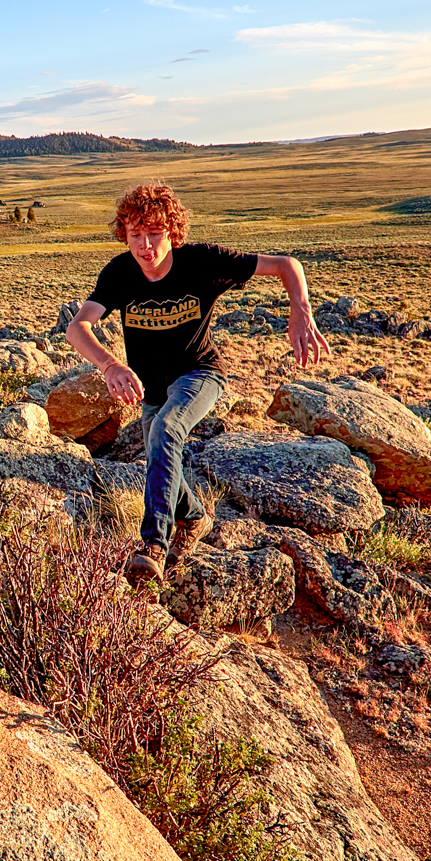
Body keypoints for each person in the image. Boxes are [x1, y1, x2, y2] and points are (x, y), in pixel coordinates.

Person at [67, 183, 331, 585]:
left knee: (166, 429)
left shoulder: (202, 261)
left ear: (173, 232)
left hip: (200, 373)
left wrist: (300, 311)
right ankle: (193, 518)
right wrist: (109, 365)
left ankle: (152, 546)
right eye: (134, 234)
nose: (145, 245)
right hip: (151, 387)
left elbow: (286, 265)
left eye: (154, 233)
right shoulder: (119, 273)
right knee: (160, 448)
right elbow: (78, 326)